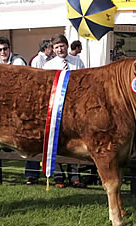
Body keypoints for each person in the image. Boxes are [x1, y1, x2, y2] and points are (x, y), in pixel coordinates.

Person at [43, 34, 85, 188]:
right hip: (56, 109)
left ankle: (75, 176)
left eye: (62, 46)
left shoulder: (77, 62)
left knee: (74, 142)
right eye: (56, 47)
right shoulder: (49, 66)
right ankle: (58, 177)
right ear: (52, 49)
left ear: (67, 46)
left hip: (74, 109)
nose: (60, 49)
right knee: (56, 141)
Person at [25, 39, 53, 185]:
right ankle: (32, 174)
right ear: (46, 48)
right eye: (51, 48)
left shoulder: (50, 60)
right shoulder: (38, 60)